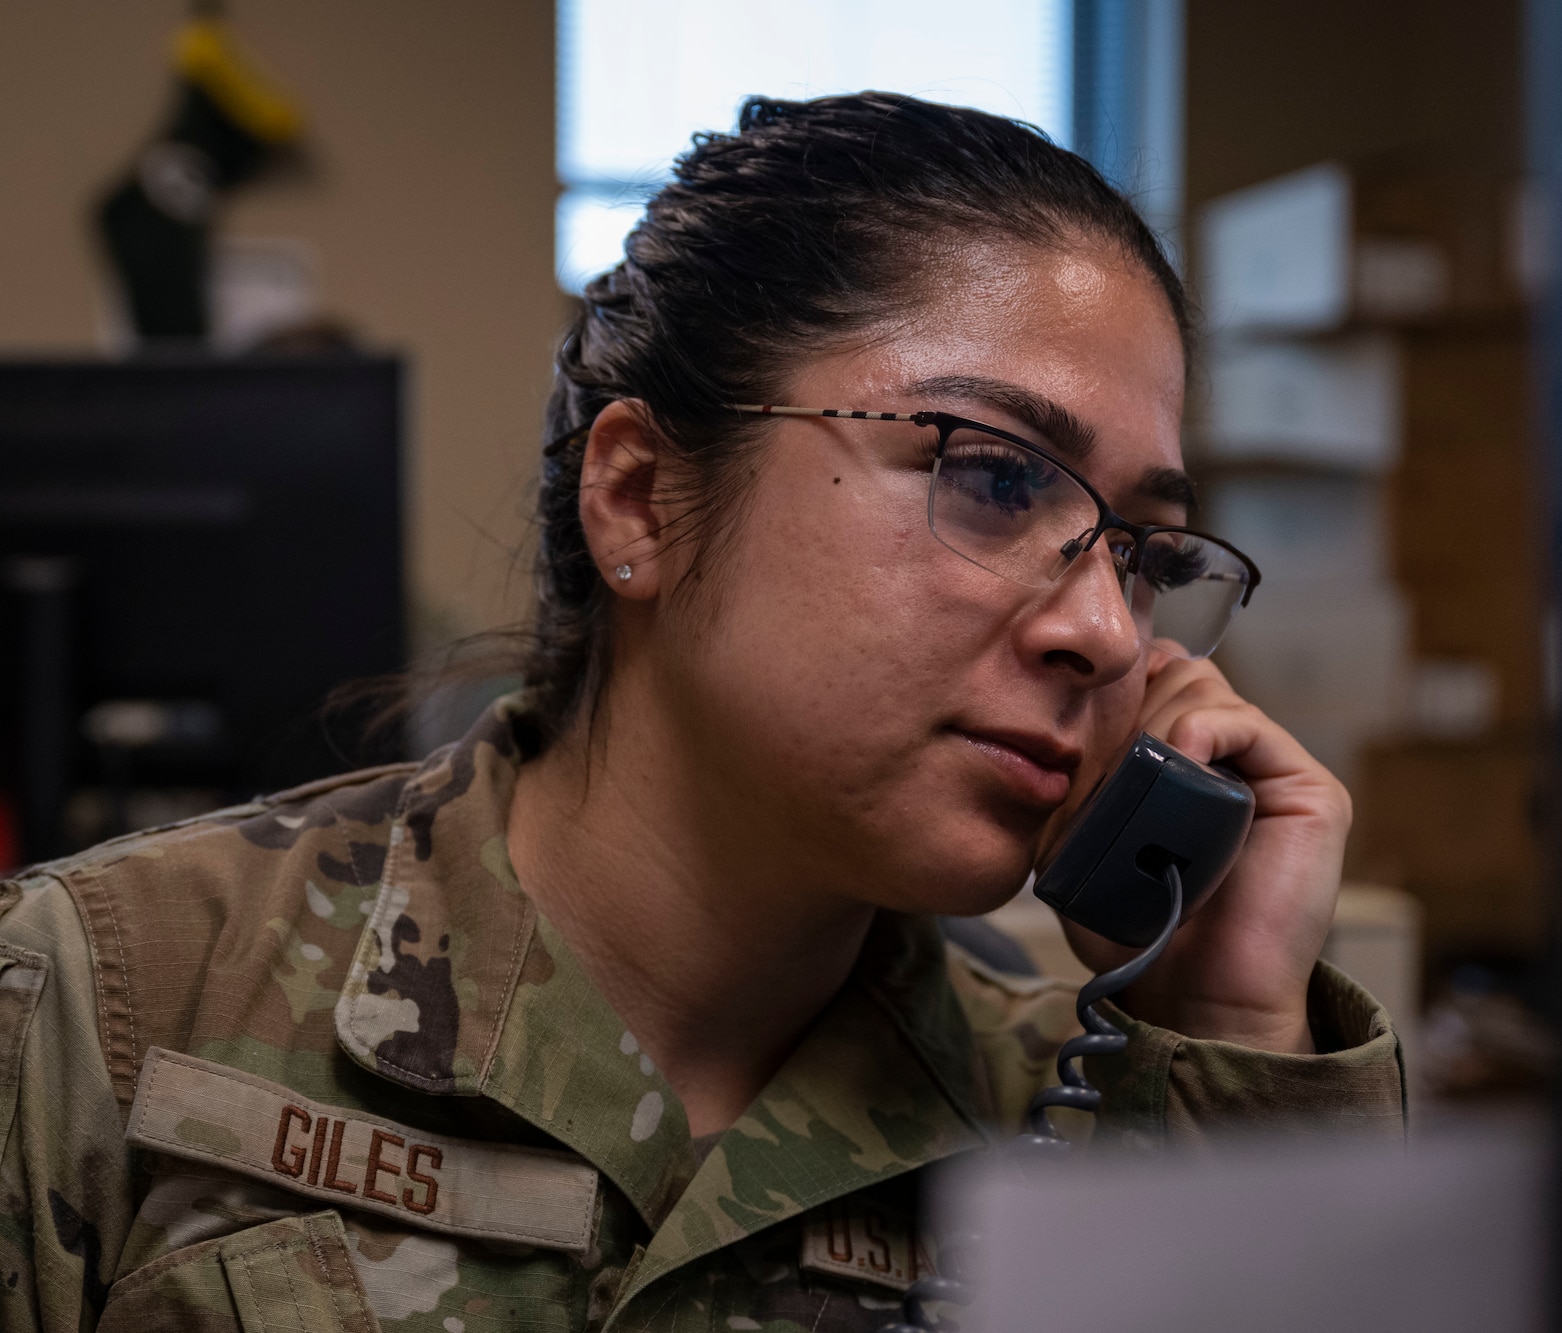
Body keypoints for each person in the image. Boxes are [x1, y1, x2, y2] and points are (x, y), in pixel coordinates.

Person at [0, 94, 1403, 1332]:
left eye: (1146, 554)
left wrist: (1234, 1037)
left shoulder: (1090, 1105)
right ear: (642, 500)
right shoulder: (113, 1002)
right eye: (992, 477)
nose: (1105, 630)